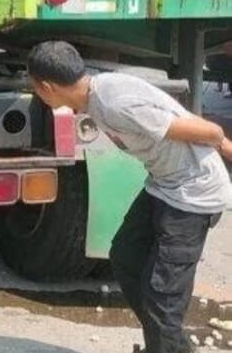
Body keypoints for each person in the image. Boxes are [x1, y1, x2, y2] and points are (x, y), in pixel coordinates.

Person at [26, 41, 232, 353]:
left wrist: (224, 147)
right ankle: (170, 347)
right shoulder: (94, 95)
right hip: (164, 184)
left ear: (47, 87)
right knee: (127, 257)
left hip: (193, 194)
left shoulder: (115, 104)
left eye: (35, 88)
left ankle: (166, 345)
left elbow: (211, 132)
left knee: (163, 297)